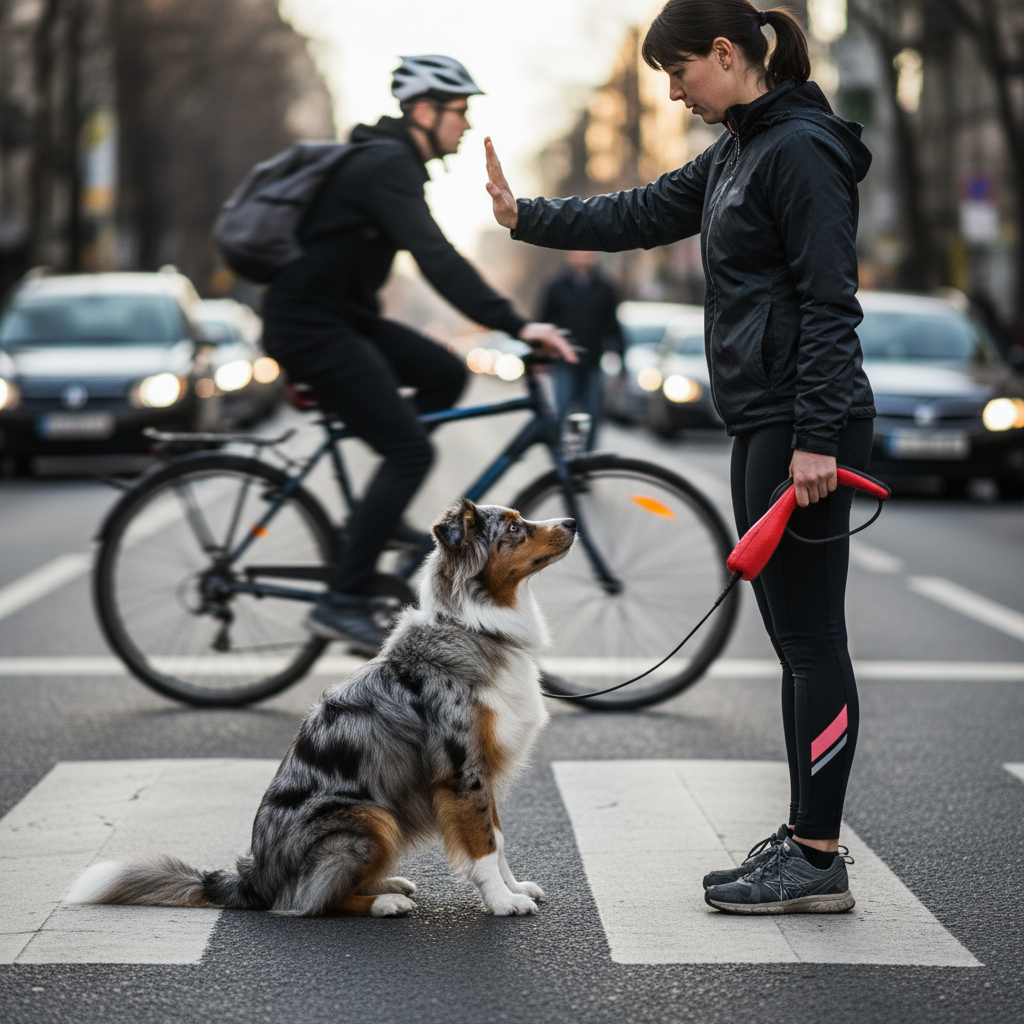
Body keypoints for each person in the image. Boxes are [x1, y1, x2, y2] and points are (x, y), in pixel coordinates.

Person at [486, 0, 875, 914]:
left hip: (802, 428)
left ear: (728, 52)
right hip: (765, 421)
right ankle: (806, 837)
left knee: (814, 641)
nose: (673, 91)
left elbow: (831, 301)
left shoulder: (801, 150)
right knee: (794, 641)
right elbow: (643, 211)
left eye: (680, 71)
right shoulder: (743, 147)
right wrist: (526, 215)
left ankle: (817, 857)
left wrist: (818, 436)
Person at [260, 55, 575, 654]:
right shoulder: (385, 166)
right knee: (409, 448)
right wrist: (517, 324)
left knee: (445, 373)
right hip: (310, 326)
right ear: (426, 112)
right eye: (459, 112)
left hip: (343, 321)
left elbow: (431, 260)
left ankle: (370, 521)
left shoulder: (391, 164)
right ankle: (342, 599)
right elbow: (436, 258)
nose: (464, 124)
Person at [538, 250, 624, 450]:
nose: (582, 258)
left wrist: (621, 357)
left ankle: (586, 457)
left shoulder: (605, 286)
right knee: (564, 411)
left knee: (592, 414)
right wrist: (542, 356)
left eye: (587, 254)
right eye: (578, 253)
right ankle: (563, 457)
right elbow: (544, 320)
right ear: (569, 256)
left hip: (593, 362)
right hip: (564, 362)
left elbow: (613, 324)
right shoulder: (556, 285)